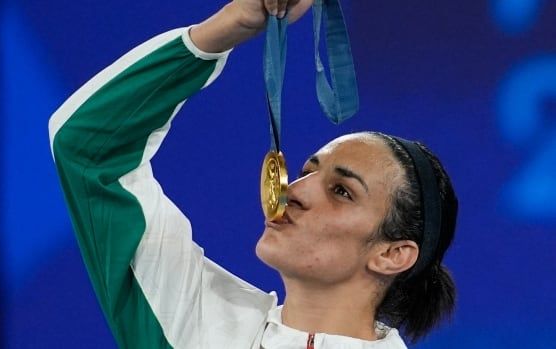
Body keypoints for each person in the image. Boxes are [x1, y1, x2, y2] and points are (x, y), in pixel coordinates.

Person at [49, 0, 458, 348]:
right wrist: (223, 31)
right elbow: (87, 149)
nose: (294, 191)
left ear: (392, 254)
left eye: (342, 191)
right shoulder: (194, 320)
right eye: (305, 171)